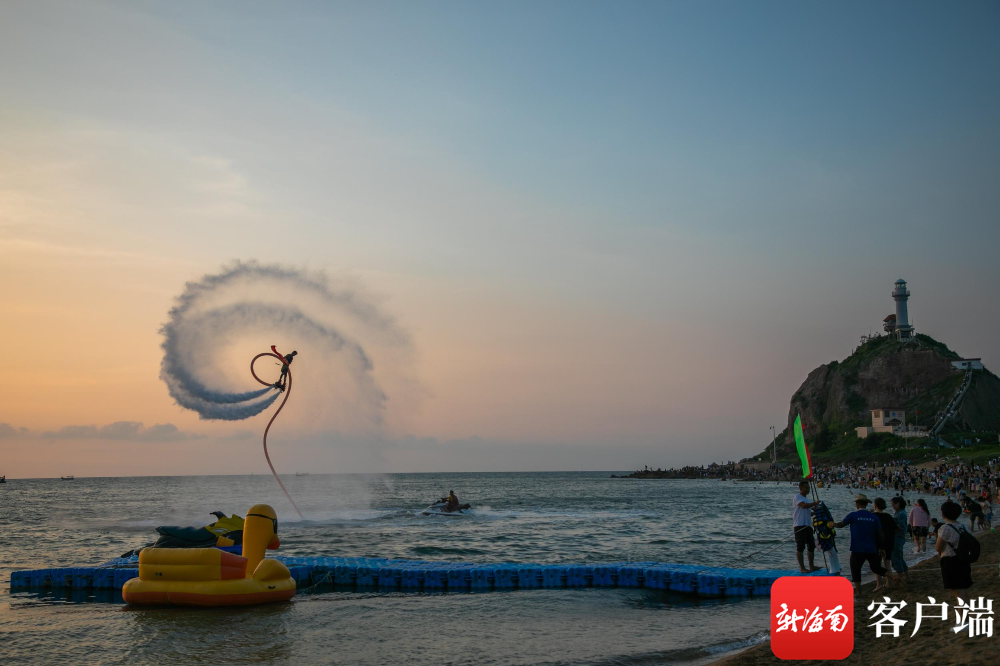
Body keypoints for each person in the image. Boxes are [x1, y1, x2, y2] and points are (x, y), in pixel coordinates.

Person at [834, 493, 888, 594]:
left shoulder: (853, 515)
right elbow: (881, 535)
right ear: (866, 504)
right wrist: (881, 548)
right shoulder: (874, 517)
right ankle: (893, 576)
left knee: (855, 570)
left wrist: (832, 524)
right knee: (877, 568)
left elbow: (841, 524)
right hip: (872, 548)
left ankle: (859, 593)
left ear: (857, 504)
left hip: (857, 548)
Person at [936, 500, 973, 597]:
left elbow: (938, 547)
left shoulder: (945, 528)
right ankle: (965, 611)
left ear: (944, 514)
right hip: (964, 559)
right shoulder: (964, 526)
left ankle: (962, 613)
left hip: (950, 561)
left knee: (958, 593)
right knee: (964, 590)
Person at [792, 481, 821, 573]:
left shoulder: (808, 500)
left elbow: (808, 513)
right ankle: (802, 568)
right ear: (801, 489)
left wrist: (816, 512)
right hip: (799, 525)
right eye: (806, 488)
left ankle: (811, 566)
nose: (807, 489)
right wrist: (815, 503)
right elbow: (804, 506)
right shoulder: (797, 497)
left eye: (808, 488)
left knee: (811, 546)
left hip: (808, 525)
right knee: (800, 546)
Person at [873, 498, 897, 585]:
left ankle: (879, 584)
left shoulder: (873, 516)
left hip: (877, 543)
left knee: (877, 565)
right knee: (887, 563)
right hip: (889, 542)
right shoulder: (888, 516)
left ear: (875, 505)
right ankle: (889, 583)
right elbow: (895, 529)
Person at [889, 497, 909, 587]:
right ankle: (906, 576)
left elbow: (901, 527)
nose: (892, 506)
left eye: (893, 504)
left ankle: (900, 576)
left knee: (896, 556)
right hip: (897, 537)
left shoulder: (901, 514)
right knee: (899, 556)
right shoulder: (899, 512)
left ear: (898, 503)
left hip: (898, 537)